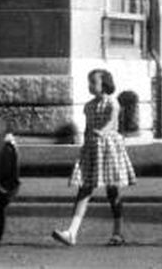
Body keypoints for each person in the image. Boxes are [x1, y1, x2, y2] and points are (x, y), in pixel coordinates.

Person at [51, 68, 135, 246]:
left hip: (110, 150)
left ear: (104, 84)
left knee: (113, 191)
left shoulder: (113, 103)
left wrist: (102, 132)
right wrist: (87, 143)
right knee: (84, 189)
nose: (90, 86)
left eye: (93, 83)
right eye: (89, 82)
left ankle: (118, 232)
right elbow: (88, 128)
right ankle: (72, 232)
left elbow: (112, 123)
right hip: (92, 150)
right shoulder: (88, 106)